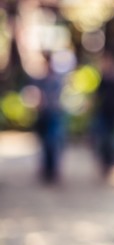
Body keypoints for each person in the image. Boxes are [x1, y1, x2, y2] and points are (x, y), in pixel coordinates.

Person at [33, 53, 66, 182]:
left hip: (54, 115)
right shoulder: (40, 80)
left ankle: (53, 170)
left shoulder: (56, 80)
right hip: (44, 116)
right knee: (45, 144)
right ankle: (47, 170)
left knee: (53, 143)